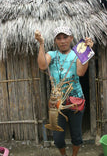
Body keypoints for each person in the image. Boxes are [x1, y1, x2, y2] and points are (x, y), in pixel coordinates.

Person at [35, 26, 94, 156]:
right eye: (59, 38)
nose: (62, 41)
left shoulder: (77, 53)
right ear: (55, 41)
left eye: (65, 37)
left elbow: (80, 72)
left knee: (76, 135)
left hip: (76, 100)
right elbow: (42, 65)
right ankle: (63, 155)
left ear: (71, 38)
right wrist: (41, 44)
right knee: (58, 138)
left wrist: (87, 51)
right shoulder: (51, 54)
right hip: (56, 102)